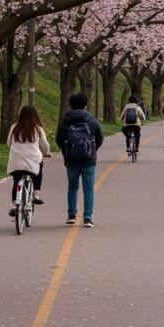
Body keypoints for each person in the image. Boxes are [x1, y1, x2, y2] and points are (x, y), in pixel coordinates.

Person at [56, 93, 104, 228]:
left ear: (71, 105)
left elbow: (59, 139)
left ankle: (71, 215)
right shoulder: (91, 120)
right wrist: (92, 150)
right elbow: (100, 137)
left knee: (72, 187)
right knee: (88, 189)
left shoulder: (66, 120)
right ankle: (88, 218)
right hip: (89, 159)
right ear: (85, 104)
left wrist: (66, 152)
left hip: (71, 159)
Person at [6, 106, 51, 217]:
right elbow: (44, 146)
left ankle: (14, 204)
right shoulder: (37, 129)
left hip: (16, 161)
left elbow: (8, 143)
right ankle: (36, 194)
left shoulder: (14, 127)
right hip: (33, 161)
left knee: (17, 181)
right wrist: (46, 153)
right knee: (38, 171)